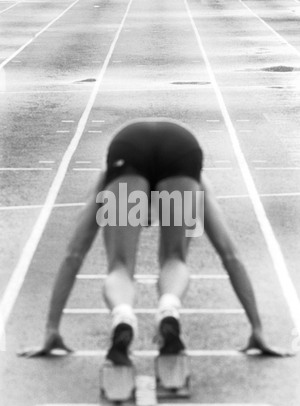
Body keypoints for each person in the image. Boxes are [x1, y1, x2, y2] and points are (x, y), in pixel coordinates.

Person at [19, 118, 291, 363]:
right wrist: (256, 328)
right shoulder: (198, 183)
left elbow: (73, 254)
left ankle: (123, 315)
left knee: (120, 266)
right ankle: (169, 307)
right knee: (174, 257)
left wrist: (52, 329)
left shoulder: (107, 179)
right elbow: (230, 255)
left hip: (129, 146)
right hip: (181, 147)